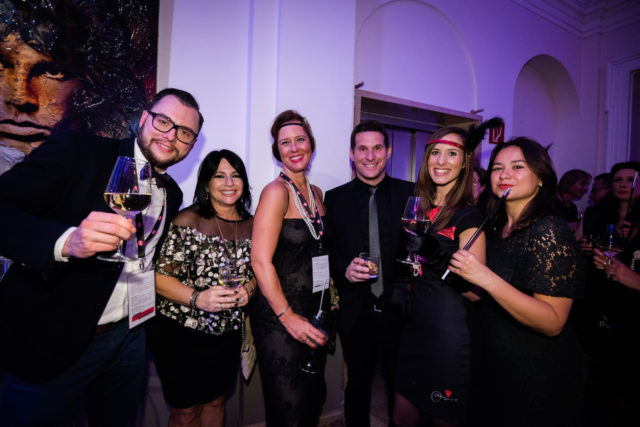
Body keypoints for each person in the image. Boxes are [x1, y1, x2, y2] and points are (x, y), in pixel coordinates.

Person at [0, 88, 203, 426]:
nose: (171, 136)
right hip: (54, 338)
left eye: (184, 132)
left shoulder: (172, 192)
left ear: (191, 144)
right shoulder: (79, 151)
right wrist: (66, 242)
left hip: (129, 337)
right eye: (164, 122)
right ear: (143, 118)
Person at [448, 137, 584, 426]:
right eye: (497, 168)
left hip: (536, 368)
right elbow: (484, 296)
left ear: (541, 178)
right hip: (497, 359)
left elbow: (553, 321)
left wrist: (485, 277)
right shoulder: (498, 227)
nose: (504, 174)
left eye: (517, 166)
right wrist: (441, 268)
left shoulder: (549, 229)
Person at [393, 121, 494, 427]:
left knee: (442, 419)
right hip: (413, 328)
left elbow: (476, 292)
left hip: (447, 336)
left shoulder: (469, 217)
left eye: (451, 154)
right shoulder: (418, 208)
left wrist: (435, 255)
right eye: (435, 152)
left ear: (464, 163)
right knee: (401, 417)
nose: (441, 161)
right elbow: (409, 265)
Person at [148, 150, 256, 427]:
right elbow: (158, 278)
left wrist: (250, 288)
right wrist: (198, 298)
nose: (229, 182)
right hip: (181, 334)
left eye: (235, 175)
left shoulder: (253, 224)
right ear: (206, 184)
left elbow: (260, 270)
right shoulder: (187, 220)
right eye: (219, 176)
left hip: (227, 333)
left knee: (216, 401)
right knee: (185, 412)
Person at [324, 120, 414, 426]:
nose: (370, 156)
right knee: (358, 385)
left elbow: (421, 247)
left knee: (401, 389)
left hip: (401, 311)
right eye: (362, 149)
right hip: (356, 311)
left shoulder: (411, 194)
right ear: (352, 154)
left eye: (377, 148)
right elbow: (327, 252)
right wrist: (344, 269)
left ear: (388, 151)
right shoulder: (334, 199)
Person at [0, 0, 152, 172]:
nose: (19, 98)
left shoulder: (106, 172)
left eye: (52, 71)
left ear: (90, 87)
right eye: (3, 66)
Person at [250, 110, 330, 426]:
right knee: (289, 409)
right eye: (285, 142)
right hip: (280, 316)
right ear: (277, 150)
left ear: (311, 143)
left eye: (300, 139)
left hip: (314, 312)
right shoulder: (276, 192)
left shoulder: (317, 194)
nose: (294, 148)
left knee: (311, 401)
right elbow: (260, 261)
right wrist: (288, 317)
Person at [579, 161, 639, 426]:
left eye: (630, 180)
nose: (623, 184)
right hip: (599, 291)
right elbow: (583, 242)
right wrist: (587, 247)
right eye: (618, 180)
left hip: (631, 301)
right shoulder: (599, 213)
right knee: (596, 358)